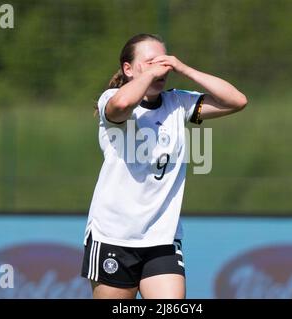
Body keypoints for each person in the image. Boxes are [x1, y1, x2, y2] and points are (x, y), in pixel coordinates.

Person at [81, 33, 247, 299]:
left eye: (163, 63)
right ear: (128, 68)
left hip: (162, 238)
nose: (160, 69)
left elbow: (236, 100)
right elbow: (122, 105)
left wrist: (184, 68)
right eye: (149, 62)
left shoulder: (178, 103)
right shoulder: (111, 98)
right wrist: (150, 75)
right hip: (114, 236)